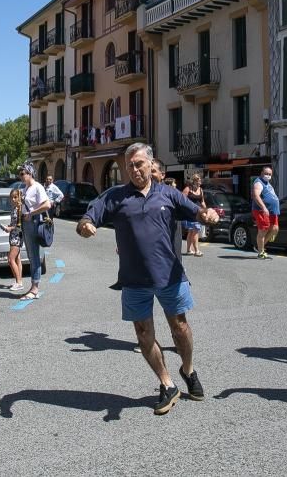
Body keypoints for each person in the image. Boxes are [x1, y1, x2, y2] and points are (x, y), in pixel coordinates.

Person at [78, 143, 219, 415]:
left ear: (150, 164)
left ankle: (188, 370)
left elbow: (196, 212)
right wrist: (85, 226)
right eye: (129, 165)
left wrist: (208, 214)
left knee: (180, 329)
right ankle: (167, 384)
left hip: (170, 276)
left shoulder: (168, 194)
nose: (134, 169)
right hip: (133, 280)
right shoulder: (115, 196)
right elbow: (87, 217)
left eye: (139, 163)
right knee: (143, 334)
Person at [17, 163, 51, 301]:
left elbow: (47, 204)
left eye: (22, 173)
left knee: (34, 256)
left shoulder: (37, 187)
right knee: (31, 256)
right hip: (26, 222)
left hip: (33, 222)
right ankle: (33, 287)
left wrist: (31, 213)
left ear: (30, 173)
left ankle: (35, 288)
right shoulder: (26, 188)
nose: (20, 176)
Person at [251, 166, 279, 260]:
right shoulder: (258, 182)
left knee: (275, 229)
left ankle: (259, 246)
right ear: (261, 173)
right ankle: (261, 252)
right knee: (263, 230)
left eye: (270, 174)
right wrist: (264, 208)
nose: (268, 175)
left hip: (272, 211)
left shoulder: (267, 183)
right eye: (266, 173)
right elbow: (255, 195)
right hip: (261, 210)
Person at [3, 188, 25, 292]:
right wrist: (9, 227)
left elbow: (19, 225)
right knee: (17, 259)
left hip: (17, 236)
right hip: (14, 235)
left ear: (19, 197)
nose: (13, 199)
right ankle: (18, 281)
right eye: (11, 197)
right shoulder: (15, 208)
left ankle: (19, 282)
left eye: (15, 197)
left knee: (10, 259)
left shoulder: (19, 209)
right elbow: (14, 224)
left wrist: (10, 228)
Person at [182, 174, 206, 256]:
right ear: (194, 181)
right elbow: (181, 199)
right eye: (198, 180)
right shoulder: (188, 189)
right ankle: (196, 251)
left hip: (198, 213)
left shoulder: (201, 190)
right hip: (189, 213)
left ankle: (189, 250)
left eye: (200, 180)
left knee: (192, 231)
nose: (200, 181)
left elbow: (202, 201)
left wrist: (205, 210)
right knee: (194, 231)